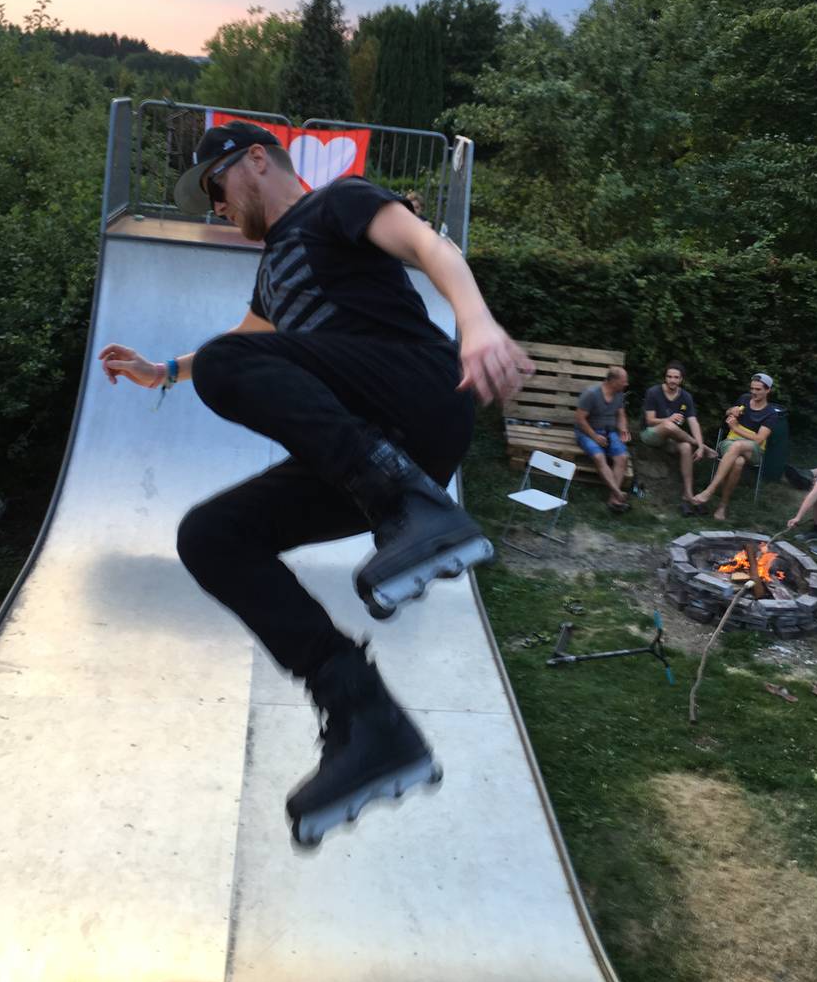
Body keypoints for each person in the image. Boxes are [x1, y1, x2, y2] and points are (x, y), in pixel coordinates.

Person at [99, 121, 533, 847]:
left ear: (256, 160)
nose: (217, 207)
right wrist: (164, 371)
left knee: (225, 364)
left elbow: (430, 246)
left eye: (216, 188)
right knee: (211, 536)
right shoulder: (271, 273)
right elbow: (241, 343)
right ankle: (367, 718)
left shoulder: (339, 201)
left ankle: (407, 504)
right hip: (371, 446)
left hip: (417, 390)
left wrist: (478, 322)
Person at [692, 373, 777, 521]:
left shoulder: (771, 414)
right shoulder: (744, 399)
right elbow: (728, 413)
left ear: (768, 390)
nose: (753, 392)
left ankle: (710, 490)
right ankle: (722, 506)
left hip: (753, 449)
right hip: (731, 442)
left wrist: (736, 428)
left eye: (758, 389)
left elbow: (759, 439)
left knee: (738, 446)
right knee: (738, 462)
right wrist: (731, 411)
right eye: (752, 388)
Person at [639, 361, 714, 507]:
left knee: (686, 447)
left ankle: (688, 493)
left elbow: (693, 422)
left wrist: (697, 444)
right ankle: (702, 447)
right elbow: (650, 421)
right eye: (669, 377)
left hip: (670, 438)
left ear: (681, 379)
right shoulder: (653, 392)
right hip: (650, 434)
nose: (672, 380)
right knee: (669, 425)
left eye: (676, 377)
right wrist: (669, 419)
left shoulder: (686, 397)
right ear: (665, 378)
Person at [574, 366, 631, 511]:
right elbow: (580, 419)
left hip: (609, 432)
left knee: (622, 457)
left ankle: (613, 499)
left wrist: (623, 430)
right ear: (613, 381)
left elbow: (621, 415)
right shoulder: (591, 394)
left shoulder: (619, 394)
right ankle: (618, 493)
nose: (626, 384)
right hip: (587, 432)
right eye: (623, 381)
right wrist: (594, 436)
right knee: (599, 457)